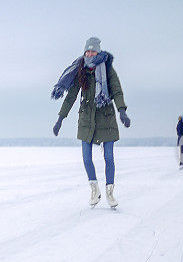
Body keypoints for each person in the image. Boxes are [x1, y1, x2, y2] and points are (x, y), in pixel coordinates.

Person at [51, 37, 131, 208]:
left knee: (108, 157)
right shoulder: (81, 70)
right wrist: (60, 118)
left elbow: (116, 90)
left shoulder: (108, 69)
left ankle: (110, 193)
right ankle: (94, 190)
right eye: (87, 51)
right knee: (86, 158)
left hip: (106, 118)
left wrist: (122, 110)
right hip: (86, 119)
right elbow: (71, 96)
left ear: (99, 52)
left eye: (93, 51)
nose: (89, 54)